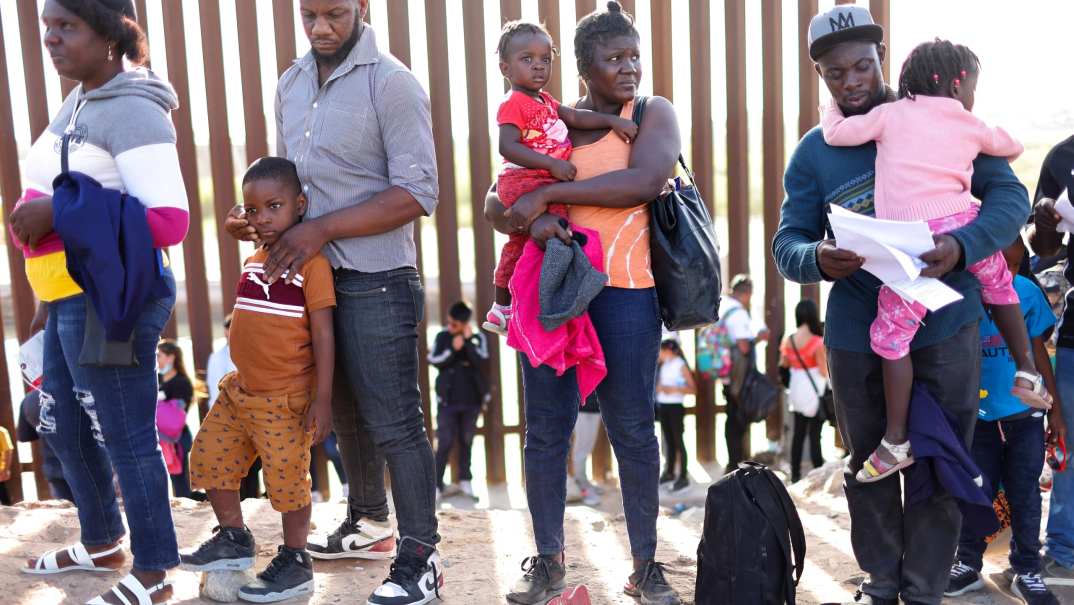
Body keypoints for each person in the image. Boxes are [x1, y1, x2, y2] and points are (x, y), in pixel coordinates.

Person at [773, 5, 1030, 603]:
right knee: (870, 462)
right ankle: (881, 583)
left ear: (882, 58)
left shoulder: (942, 116)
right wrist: (818, 258)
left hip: (948, 322)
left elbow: (1011, 200)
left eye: (862, 66)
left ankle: (924, 590)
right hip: (859, 330)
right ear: (821, 76)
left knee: (941, 460)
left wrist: (961, 244)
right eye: (836, 74)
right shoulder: (816, 152)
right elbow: (787, 243)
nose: (852, 82)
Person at [223, 2, 442, 602]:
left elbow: (419, 192)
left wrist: (320, 230)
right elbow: (293, 187)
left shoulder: (392, 83)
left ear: (362, 9)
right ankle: (368, 521)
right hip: (309, 278)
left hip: (376, 276)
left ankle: (421, 557)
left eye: (336, 15)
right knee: (343, 408)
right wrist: (263, 220)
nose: (321, 28)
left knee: (395, 420)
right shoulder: (291, 85)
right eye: (310, 15)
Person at [485, 3, 683, 603]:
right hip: (556, 293)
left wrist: (550, 191)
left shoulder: (648, 114)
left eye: (633, 56)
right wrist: (536, 219)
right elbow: (499, 203)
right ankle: (548, 561)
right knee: (545, 430)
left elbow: (645, 182)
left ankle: (646, 566)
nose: (628, 69)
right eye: (613, 58)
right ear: (582, 66)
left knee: (632, 428)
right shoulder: (547, 119)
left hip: (626, 294)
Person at [12, 1, 188, 602]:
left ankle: (156, 570)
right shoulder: (82, 97)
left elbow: (169, 221)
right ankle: (103, 539)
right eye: (47, 29)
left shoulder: (135, 108)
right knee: (61, 422)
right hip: (66, 294)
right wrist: (46, 292)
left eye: (68, 28)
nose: (52, 41)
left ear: (110, 34)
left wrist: (53, 213)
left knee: (125, 433)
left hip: (112, 301)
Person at [820, 38, 1044, 484]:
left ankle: (896, 438)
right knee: (1000, 288)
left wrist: (831, 105)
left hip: (910, 245)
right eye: (972, 89)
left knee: (890, 339)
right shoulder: (968, 121)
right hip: (963, 225)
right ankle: (1028, 372)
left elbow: (836, 133)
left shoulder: (888, 115)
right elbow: (1011, 145)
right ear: (957, 84)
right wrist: (968, 133)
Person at [180, 157, 335, 602]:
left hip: (284, 399)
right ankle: (233, 536)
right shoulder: (253, 258)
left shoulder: (313, 266)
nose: (262, 217)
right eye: (253, 210)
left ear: (300, 206)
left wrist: (322, 399)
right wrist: (242, 219)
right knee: (209, 455)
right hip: (239, 391)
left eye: (274, 206)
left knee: (287, 480)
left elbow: (324, 334)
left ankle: (295, 559)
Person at [483, 20, 637, 336]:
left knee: (534, 239)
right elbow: (507, 146)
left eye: (545, 59)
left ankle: (520, 303)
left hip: (542, 180)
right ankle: (512, 303)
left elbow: (577, 117)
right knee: (545, 235)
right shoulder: (513, 104)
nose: (538, 67)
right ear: (505, 68)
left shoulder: (547, 102)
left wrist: (611, 121)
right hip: (525, 178)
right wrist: (550, 166)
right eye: (527, 59)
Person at [945, 237, 1064, 604]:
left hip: (1024, 415)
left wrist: (1055, 410)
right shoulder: (962, 292)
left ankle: (1026, 568)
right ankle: (967, 563)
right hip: (978, 417)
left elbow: (1039, 353)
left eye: (1015, 266)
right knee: (977, 490)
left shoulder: (1026, 292)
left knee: (1025, 494)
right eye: (1001, 264)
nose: (1006, 273)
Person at [1028, 134, 1074, 584]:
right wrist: (1045, 219)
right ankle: (1064, 551)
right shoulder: (1063, 157)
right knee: (1070, 443)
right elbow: (1043, 249)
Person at [428, 301, 489, 499]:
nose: (450, 326)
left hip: (471, 400)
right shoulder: (442, 336)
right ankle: (437, 485)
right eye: (449, 322)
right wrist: (453, 350)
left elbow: (482, 362)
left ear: (464, 324)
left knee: (466, 440)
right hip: (447, 400)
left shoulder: (477, 337)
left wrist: (468, 343)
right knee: (444, 441)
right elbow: (434, 360)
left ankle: (465, 481)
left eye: (455, 324)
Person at [779, 299, 828, 484]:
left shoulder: (789, 340)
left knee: (798, 434)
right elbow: (823, 370)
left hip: (797, 390)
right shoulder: (817, 342)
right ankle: (818, 474)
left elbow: (783, 365)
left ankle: (796, 475)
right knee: (815, 434)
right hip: (813, 391)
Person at [720, 274, 758, 472]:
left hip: (727, 375)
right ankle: (735, 462)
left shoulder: (723, 307)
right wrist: (758, 338)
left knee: (731, 418)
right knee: (737, 420)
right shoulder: (738, 313)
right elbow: (743, 346)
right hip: (738, 378)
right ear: (747, 294)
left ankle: (732, 460)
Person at [17, 390, 74, 501]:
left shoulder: (30, 399)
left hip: (54, 466)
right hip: (89, 464)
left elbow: (24, 436)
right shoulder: (79, 390)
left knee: (68, 509)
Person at [156, 340, 195, 499]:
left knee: (179, 482)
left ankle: (186, 512)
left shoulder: (182, 382)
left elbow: (178, 414)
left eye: (159, 355)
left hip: (176, 438)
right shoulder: (155, 379)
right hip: (157, 438)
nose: (156, 359)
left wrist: (158, 403)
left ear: (171, 358)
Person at [656, 339, 696, 493]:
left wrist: (673, 390)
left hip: (675, 407)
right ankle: (670, 471)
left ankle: (683, 476)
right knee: (668, 440)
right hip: (664, 406)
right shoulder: (664, 365)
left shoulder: (680, 365)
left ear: (670, 351)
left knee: (678, 441)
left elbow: (692, 389)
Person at [570, 395, 603, 506]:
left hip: (594, 404)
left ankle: (583, 482)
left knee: (587, 446)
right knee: (582, 448)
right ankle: (582, 486)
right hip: (583, 405)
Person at [206, 313, 237, 408]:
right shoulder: (216, 358)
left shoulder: (253, 355)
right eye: (228, 329)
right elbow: (214, 389)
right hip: (225, 411)